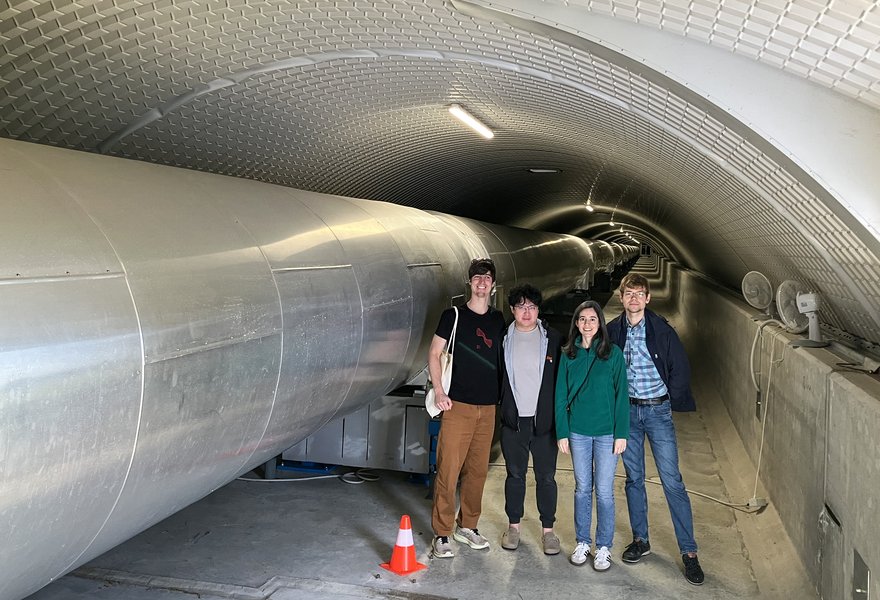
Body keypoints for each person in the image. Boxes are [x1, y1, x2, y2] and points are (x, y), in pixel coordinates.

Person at [606, 273, 705, 586]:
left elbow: (680, 369)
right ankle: (641, 540)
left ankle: (689, 553)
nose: (634, 299)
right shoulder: (612, 331)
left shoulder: (662, 330)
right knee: (634, 479)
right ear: (621, 298)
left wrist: (670, 399)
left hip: (657, 411)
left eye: (639, 293)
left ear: (647, 298)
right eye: (628, 293)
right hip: (628, 415)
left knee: (671, 480)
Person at [429, 257, 506, 558]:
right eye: (477, 277)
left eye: (487, 277)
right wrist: (438, 390)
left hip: (487, 408)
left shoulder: (498, 320)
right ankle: (442, 532)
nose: (482, 282)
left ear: (493, 285)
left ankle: (468, 526)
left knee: (477, 472)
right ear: (470, 283)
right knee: (449, 470)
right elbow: (434, 353)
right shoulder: (454, 316)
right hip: (457, 405)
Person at [555, 300, 629, 572]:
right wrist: (562, 432)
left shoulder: (613, 354)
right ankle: (583, 541)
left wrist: (622, 433)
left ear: (600, 324)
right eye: (582, 319)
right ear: (576, 323)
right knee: (583, 488)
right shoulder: (568, 354)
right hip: (578, 432)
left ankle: (604, 547)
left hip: (608, 434)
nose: (587, 324)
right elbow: (560, 395)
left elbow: (622, 396)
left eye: (592, 319)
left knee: (606, 492)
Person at [498, 284, 563, 555]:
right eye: (522, 307)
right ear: (512, 310)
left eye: (533, 307)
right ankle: (514, 527)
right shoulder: (503, 337)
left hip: (543, 423)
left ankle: (548, 531)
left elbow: (561, 381)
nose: (528, 312)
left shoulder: (553, 338)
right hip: (514, 421)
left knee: (546, 477)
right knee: (515, 475)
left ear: (539, 310)